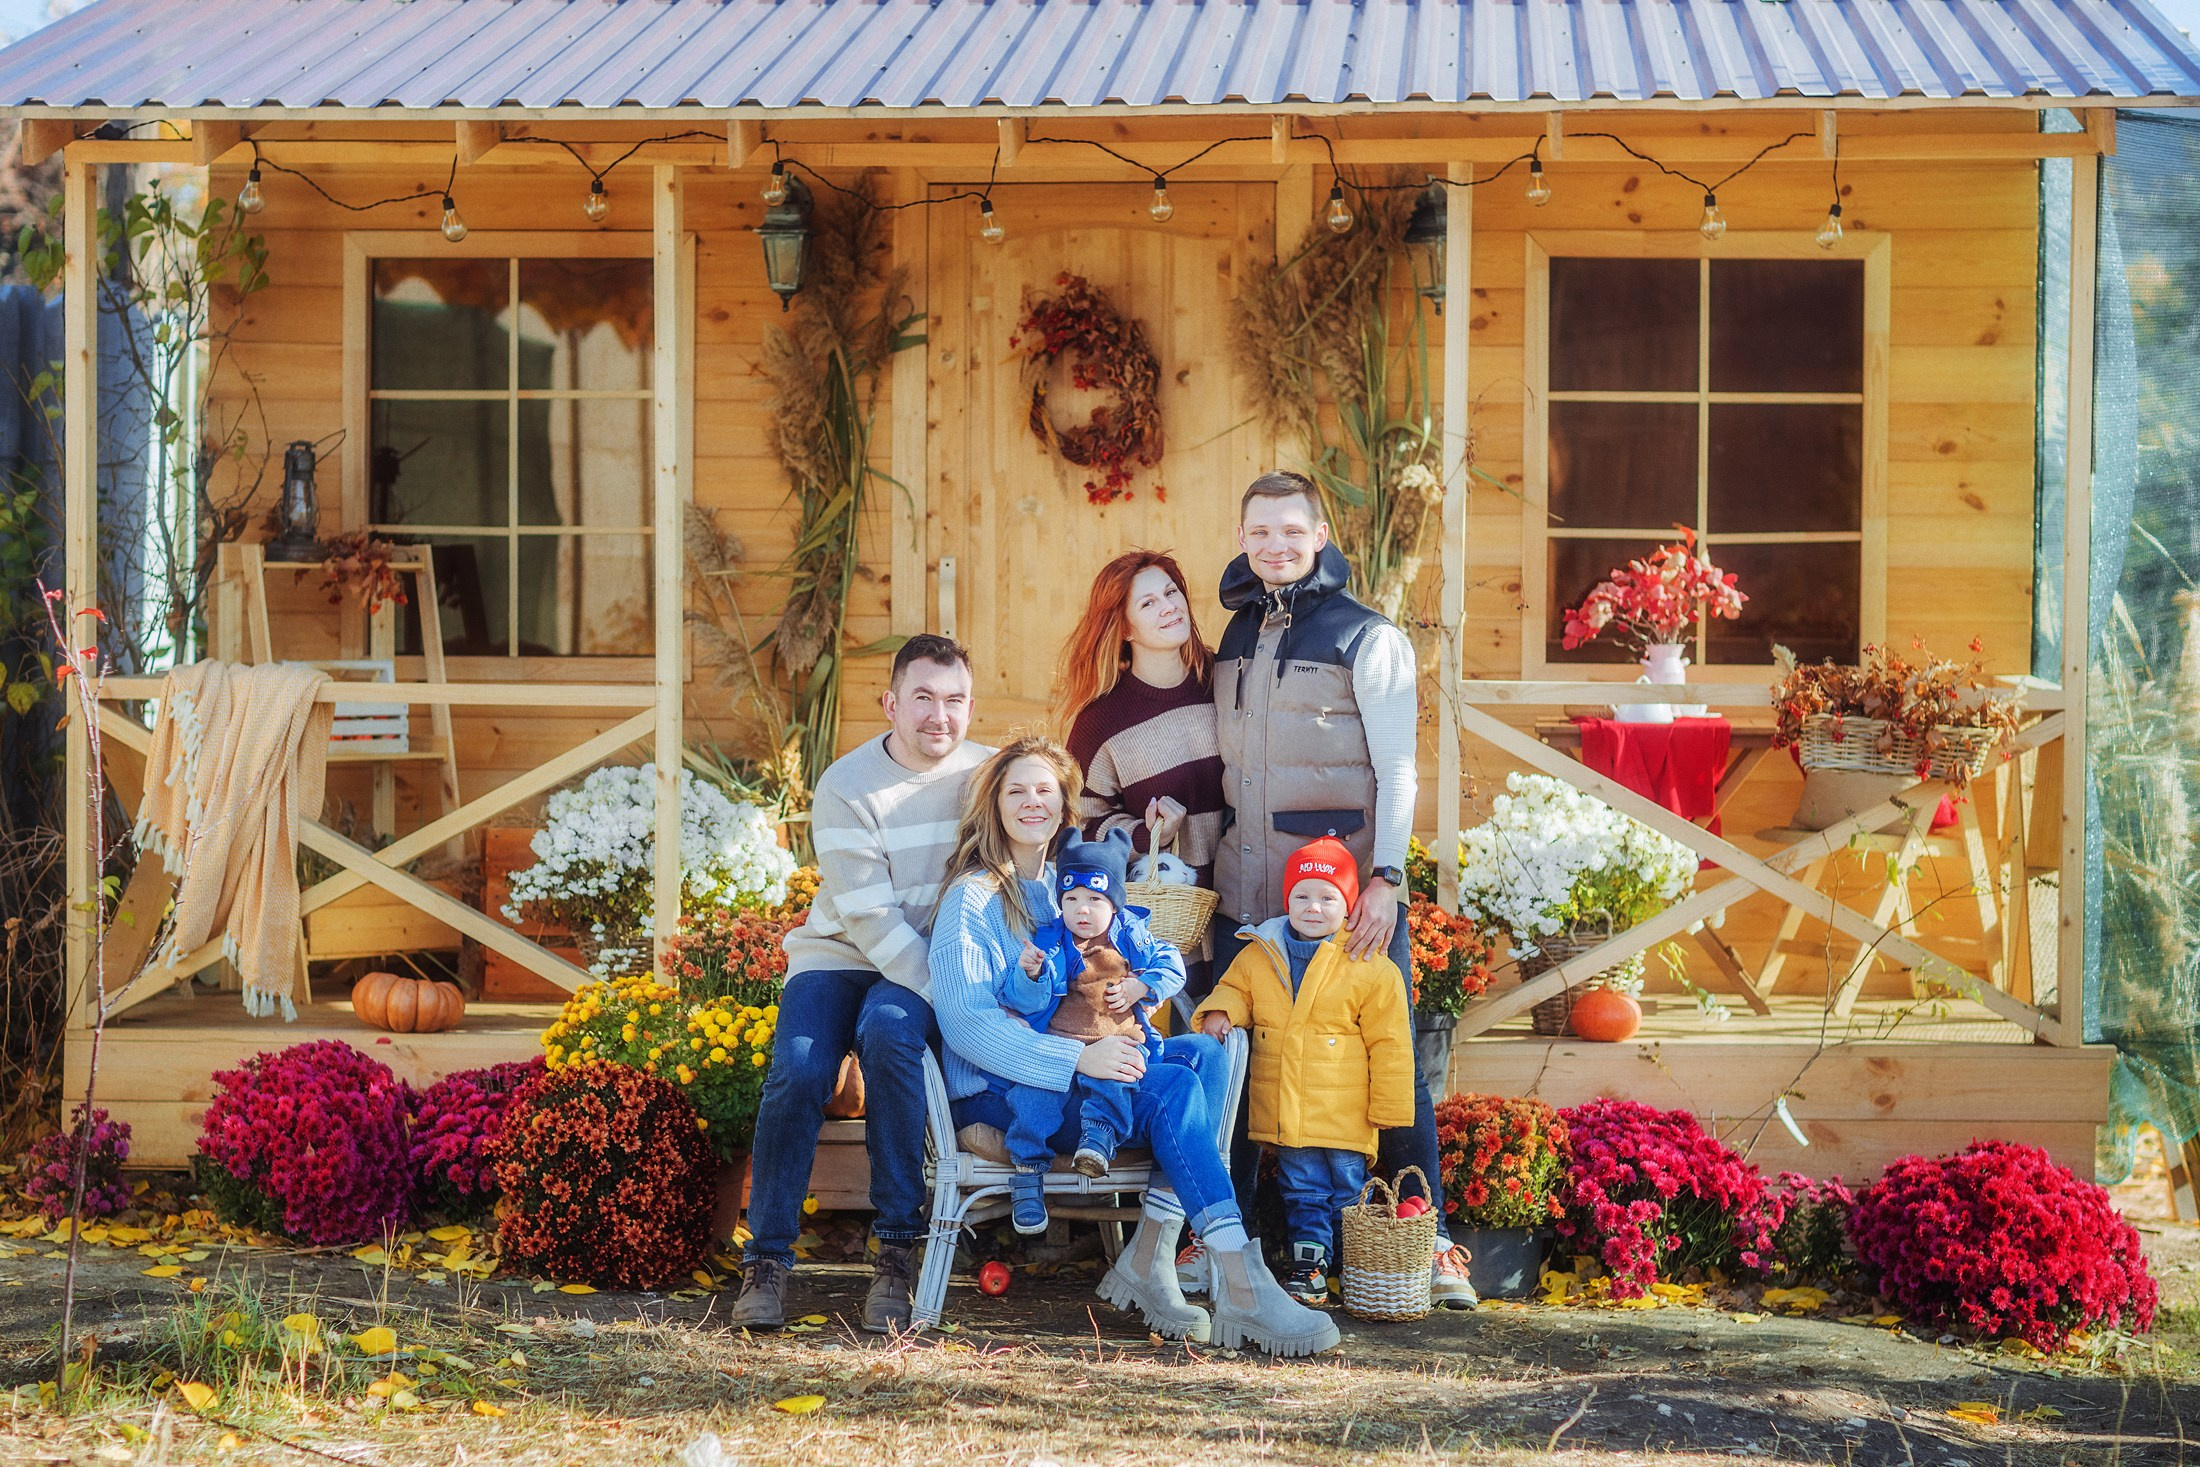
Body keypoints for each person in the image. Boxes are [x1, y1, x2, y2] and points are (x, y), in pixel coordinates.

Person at [929, 736, 1340, 1357]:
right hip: (1008, 1095)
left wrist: (1133, 1002)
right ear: (994, 804)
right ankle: (1240, 1281)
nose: (1032, 801)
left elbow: (1129, 969)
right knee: (1172, 1086)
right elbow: (967, 1024)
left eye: (1045, 790)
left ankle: (1151, 1253)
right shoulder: (974, 898)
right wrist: (1078, 1057)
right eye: (1016, 790)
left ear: (1065, 807)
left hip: (1085, 1073)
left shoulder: (1073, 888)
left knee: (1204, 1054)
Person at [1209, 469, 1478, 1309]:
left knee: (1387, 1060)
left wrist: (1388, 877)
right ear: (1243, 538)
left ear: (1321, 536)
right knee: (1235, 1061)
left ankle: (1426, 1237)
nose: (1276, 545)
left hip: (1343, 900)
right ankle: (1232, 1239)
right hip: (1248, 896)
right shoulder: (1235, 633)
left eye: (1293, 530)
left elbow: (1398, 769)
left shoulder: (1367, 636)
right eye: (1260, 532)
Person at [734, 634, 989, 1335]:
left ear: (971, 707)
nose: (940, 715)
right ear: (891, 704)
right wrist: (953, 994)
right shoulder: (849, 784)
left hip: (927, 961)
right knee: (799, 1068)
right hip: (840, 952)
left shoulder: (990, 775)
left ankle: (897, 1250)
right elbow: (869, 918)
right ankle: (766, 1259)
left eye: (955, 700)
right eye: (923, 698)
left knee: (891, 1036)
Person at [1195, 838, 1415, 1304]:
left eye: (1327, 897)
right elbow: (1237, 989)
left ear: (1349, 905)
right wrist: (1221, 1010)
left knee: (1348, 1193)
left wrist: (1390, 1109)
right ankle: (1309, 1268)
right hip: (1288, 1111)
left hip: (1345, 1114)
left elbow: (1391, 1044)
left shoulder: (1370, 966)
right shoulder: (1262, 952)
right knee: (1301, 1191)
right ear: (1287, 900)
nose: (1313, 907)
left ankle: (1358, 1270)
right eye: (1302, 896)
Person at [995, 827, 1183, 1232]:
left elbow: (1173, 965)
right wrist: (1031, 975)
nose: (1082, 909)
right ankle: (1026, 1174)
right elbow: (1022, 1002)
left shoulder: (1133, 936)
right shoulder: (1050, 941)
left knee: (1117, 1075)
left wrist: (1142, 986)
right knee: (1031, 1096)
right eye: (1071, 899)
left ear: (1114, 904)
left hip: (1117, 1036)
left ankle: (1098, 1140)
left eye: (1095, 899)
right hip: (1060, 1043)